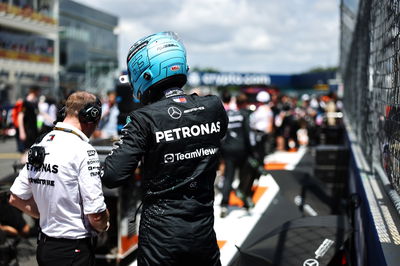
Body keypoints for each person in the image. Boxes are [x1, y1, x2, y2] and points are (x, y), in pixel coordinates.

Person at [101, 31, 228, 266]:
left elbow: (112, 174)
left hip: (161, 235)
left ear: (144, 72)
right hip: (202, 231)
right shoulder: (213, 107)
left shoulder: (143, 119)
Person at [8, 91, 110, 266]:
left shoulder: (41, 143)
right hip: (74, 250)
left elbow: (15, 198)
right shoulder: (83, 150)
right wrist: (104, 224)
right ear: (91, 117)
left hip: (46, 248)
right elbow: (96, 215)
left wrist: (49, 214)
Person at [220, 93, 252, 217]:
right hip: (242, 149)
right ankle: (244, 201)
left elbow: (221, 134)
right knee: (244, 177)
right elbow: (248, 134)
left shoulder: (227, 114)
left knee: (228, 177)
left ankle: (224, 204)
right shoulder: (244, 115)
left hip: (227, 149)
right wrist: (251, 151)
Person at [17, 85, 41, 163]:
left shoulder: (34, 102)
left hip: (33, 130)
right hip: (27, 130)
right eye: (38, 91)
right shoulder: (26, 102)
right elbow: (20, 117)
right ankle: (22, 168)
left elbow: (39, 113)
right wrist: (22, 131)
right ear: (35, 91)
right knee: (27, 150)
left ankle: (25, 166)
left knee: (31, 149)